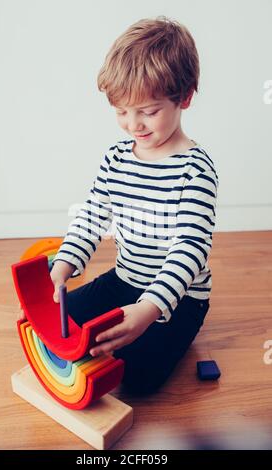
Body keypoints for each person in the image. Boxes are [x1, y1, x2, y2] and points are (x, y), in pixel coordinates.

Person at [49, 16, 219, 395]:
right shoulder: (116, 158)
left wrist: (148, 310)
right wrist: (65, 263)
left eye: (148, 111)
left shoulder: (195, 170)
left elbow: (189, 250)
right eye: (122, 111)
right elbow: (92, 215)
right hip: (125, 279)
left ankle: (174, 332)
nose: (133, 124)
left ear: (185, 97)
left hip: (179, 298)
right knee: (57, 323)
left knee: (137, 378)